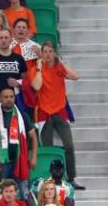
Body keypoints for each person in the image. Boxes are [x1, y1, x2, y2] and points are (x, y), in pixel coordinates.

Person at [31, 43, 83, 190]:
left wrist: (61, 62)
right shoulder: (36, 69)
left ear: (54, 53)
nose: (47, 54)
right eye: (45, 51)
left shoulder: (60, 67)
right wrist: (40, 68)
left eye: (50, 51)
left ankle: (71, 178)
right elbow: (36, 86)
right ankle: (50, 182)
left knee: (69, 145)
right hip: (43, 112)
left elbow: (75, 76)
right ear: (41, 53)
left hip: (60, 111)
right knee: (48, 148)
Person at [0, 88, 38, 200]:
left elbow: (33, 137)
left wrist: (34, 157)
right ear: (0, 99)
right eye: (6, 97)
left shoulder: (22, 115)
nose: (9, 99)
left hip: (20, 161)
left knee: (23, 193)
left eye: (11, 97)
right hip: (0, 163)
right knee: (1, 193)